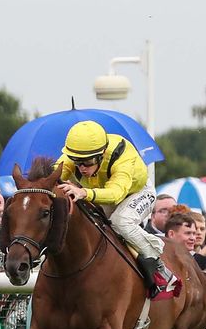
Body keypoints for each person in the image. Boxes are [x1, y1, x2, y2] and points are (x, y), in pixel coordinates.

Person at [54, 120, 176, 298]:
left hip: (135, 193)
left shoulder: (122, 156)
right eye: (76, 162)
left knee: (120, 221)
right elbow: (51, 175)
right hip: (103, 193)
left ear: (102, 154)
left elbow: (115, 195)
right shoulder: (79, 153)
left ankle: (156, 259)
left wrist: (83, 192)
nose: (82, 168)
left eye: (87, 162)